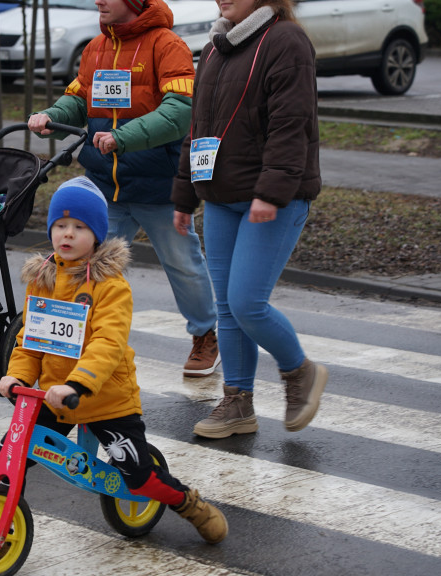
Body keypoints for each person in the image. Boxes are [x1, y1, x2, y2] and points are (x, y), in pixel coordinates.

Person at [0, 176, 228, 544]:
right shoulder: (42, 279)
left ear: (98, 235)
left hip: (105, 399)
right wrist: (17, 378)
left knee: (139, 474)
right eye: (60, 225)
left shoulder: (111, 286)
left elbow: (107, 342)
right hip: (54, 397)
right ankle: (1, 519)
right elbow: (30, 341)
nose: (67, 234)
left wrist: (77, 384)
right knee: (11, 451)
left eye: (79, 227)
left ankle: (188, 503)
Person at [26, 0, 220, 379]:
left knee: (183, 265)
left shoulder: (167, 45)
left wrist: (123, 138)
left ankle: (205, 336)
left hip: (158, 187)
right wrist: (53, 114)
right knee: (82, 267)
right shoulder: (95, 47)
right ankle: (76, 343)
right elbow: (78, 99)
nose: (99, 1)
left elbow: (180, 110)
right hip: (104, 188)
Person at [170, 0, 328, 439]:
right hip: (221, 197)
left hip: (273, 198)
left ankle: (300, 372)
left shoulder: (285, 40)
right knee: (227, 310)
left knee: (246, 302)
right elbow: (197, 127)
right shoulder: (218, 46)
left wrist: (271, 191)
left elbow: (290, 123)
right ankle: (238, 403)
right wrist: (184, 195)